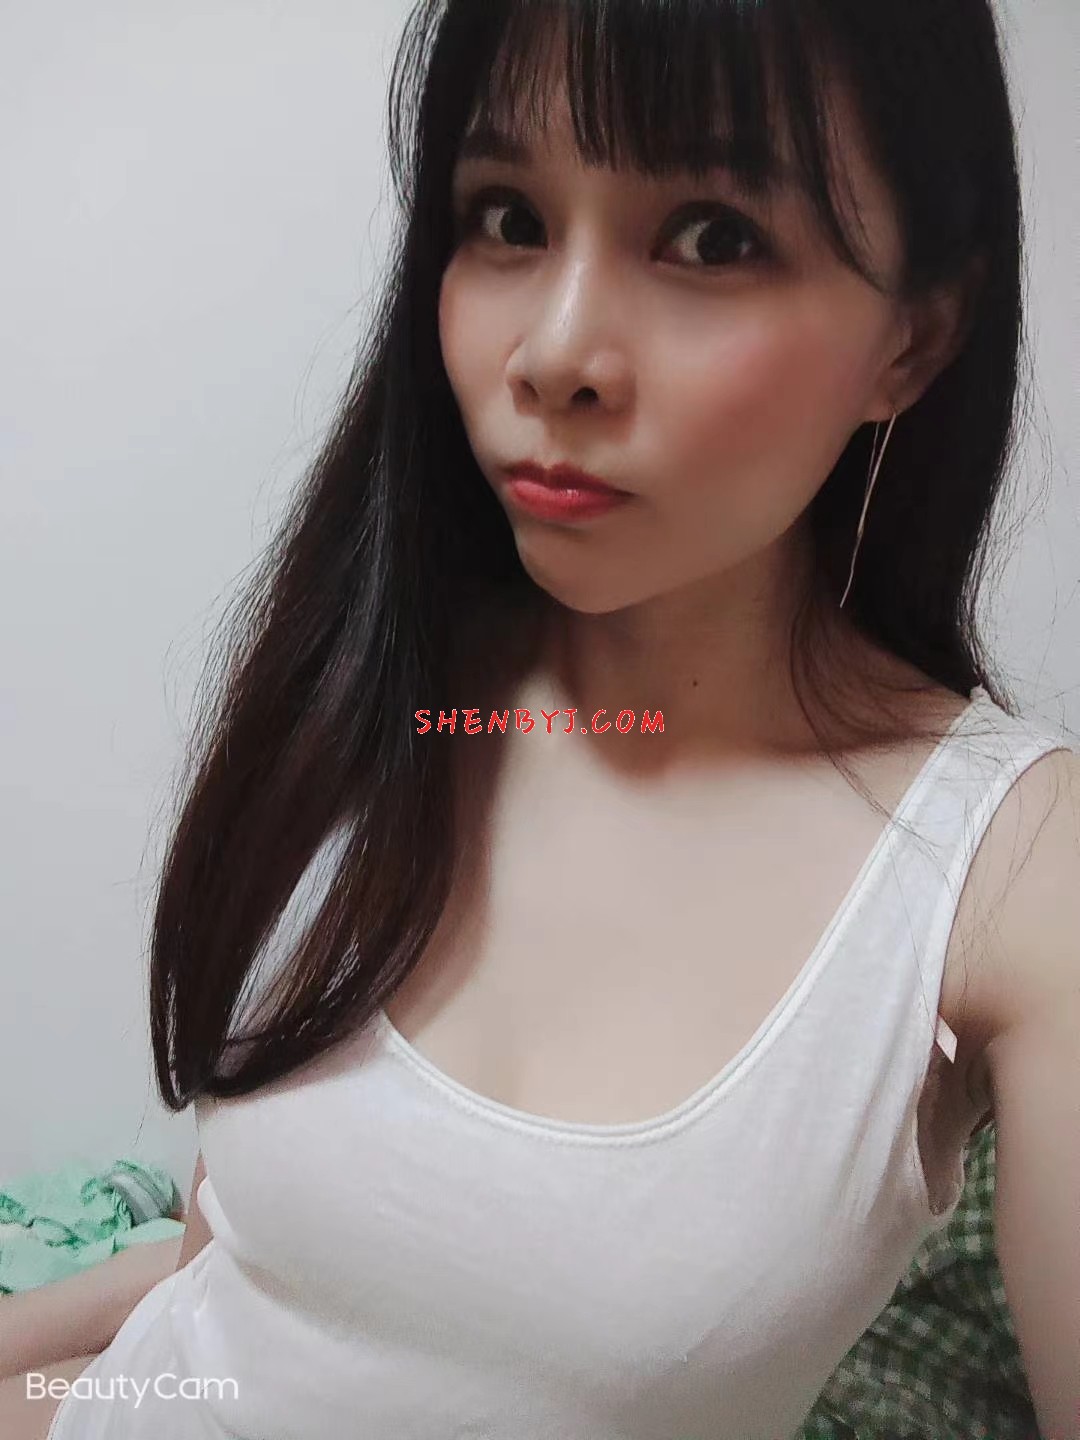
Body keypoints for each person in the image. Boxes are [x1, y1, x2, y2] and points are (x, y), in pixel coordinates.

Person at [13, 1, 1077, 1436]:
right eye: (507, 218)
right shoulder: (394, 678)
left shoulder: (1013, 878)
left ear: (917, 336)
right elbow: (235, 1266)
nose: (556, 353)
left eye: (711, 237)